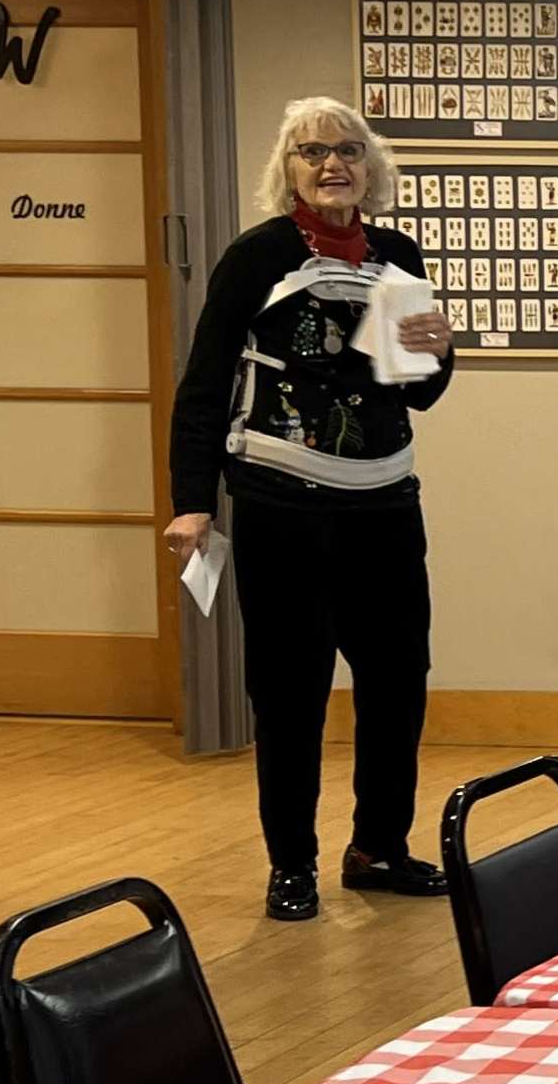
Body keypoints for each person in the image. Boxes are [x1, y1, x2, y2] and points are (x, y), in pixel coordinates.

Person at [166, 96, 458, 921]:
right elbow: (205, 384)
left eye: (348, 150)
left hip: (385, 503)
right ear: (286, 170)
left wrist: (439, 355)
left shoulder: (395, 254)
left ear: (372, 166)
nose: (333, 165)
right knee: (291, 689)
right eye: (312, 152)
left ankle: (379, 846)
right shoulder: (255, 257)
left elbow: (420, 389)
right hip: (280, 503)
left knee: (399, 679)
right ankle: (291, 861)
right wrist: (193, 502)